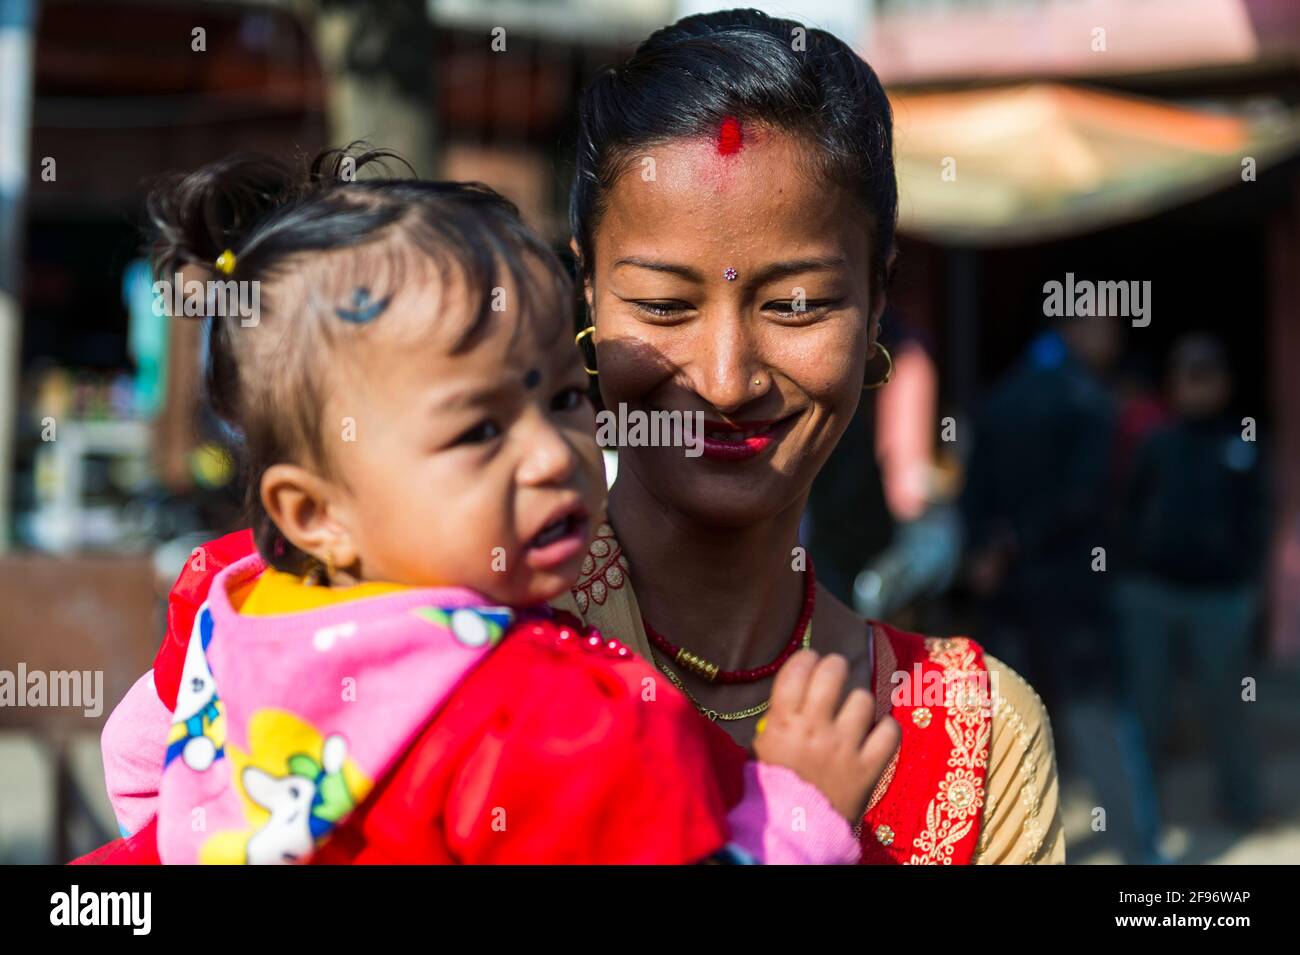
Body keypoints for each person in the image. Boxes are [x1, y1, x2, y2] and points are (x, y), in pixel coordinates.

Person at [102, 9, 1065, 865]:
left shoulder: (976, 742)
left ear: (877, 305)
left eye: (799, 303)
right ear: (586, 298)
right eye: (660, 304)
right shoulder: (398, 617)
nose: (726, 379)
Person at [81, 149, 897, 865]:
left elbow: (136, 763)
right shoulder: (555, 717)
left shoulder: (231, 601)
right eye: (479, 429)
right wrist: (797, 814)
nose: (551, 456)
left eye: (564, 400)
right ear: (309, 511)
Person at [1116, 333, 1269, 830]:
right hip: (1153, 594)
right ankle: (1142, 821)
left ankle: (1242, 808)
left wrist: (1249, 584)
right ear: (1173, 384)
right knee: (1148, 710)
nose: (1198, 387)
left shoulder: (1241, 443)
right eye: (1189, 376)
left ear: (1224, 384)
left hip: (1221, 598)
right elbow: (1126, 509)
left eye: (1208, 376)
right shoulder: (1157, 443)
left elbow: (1259, 517)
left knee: (1228, 706)